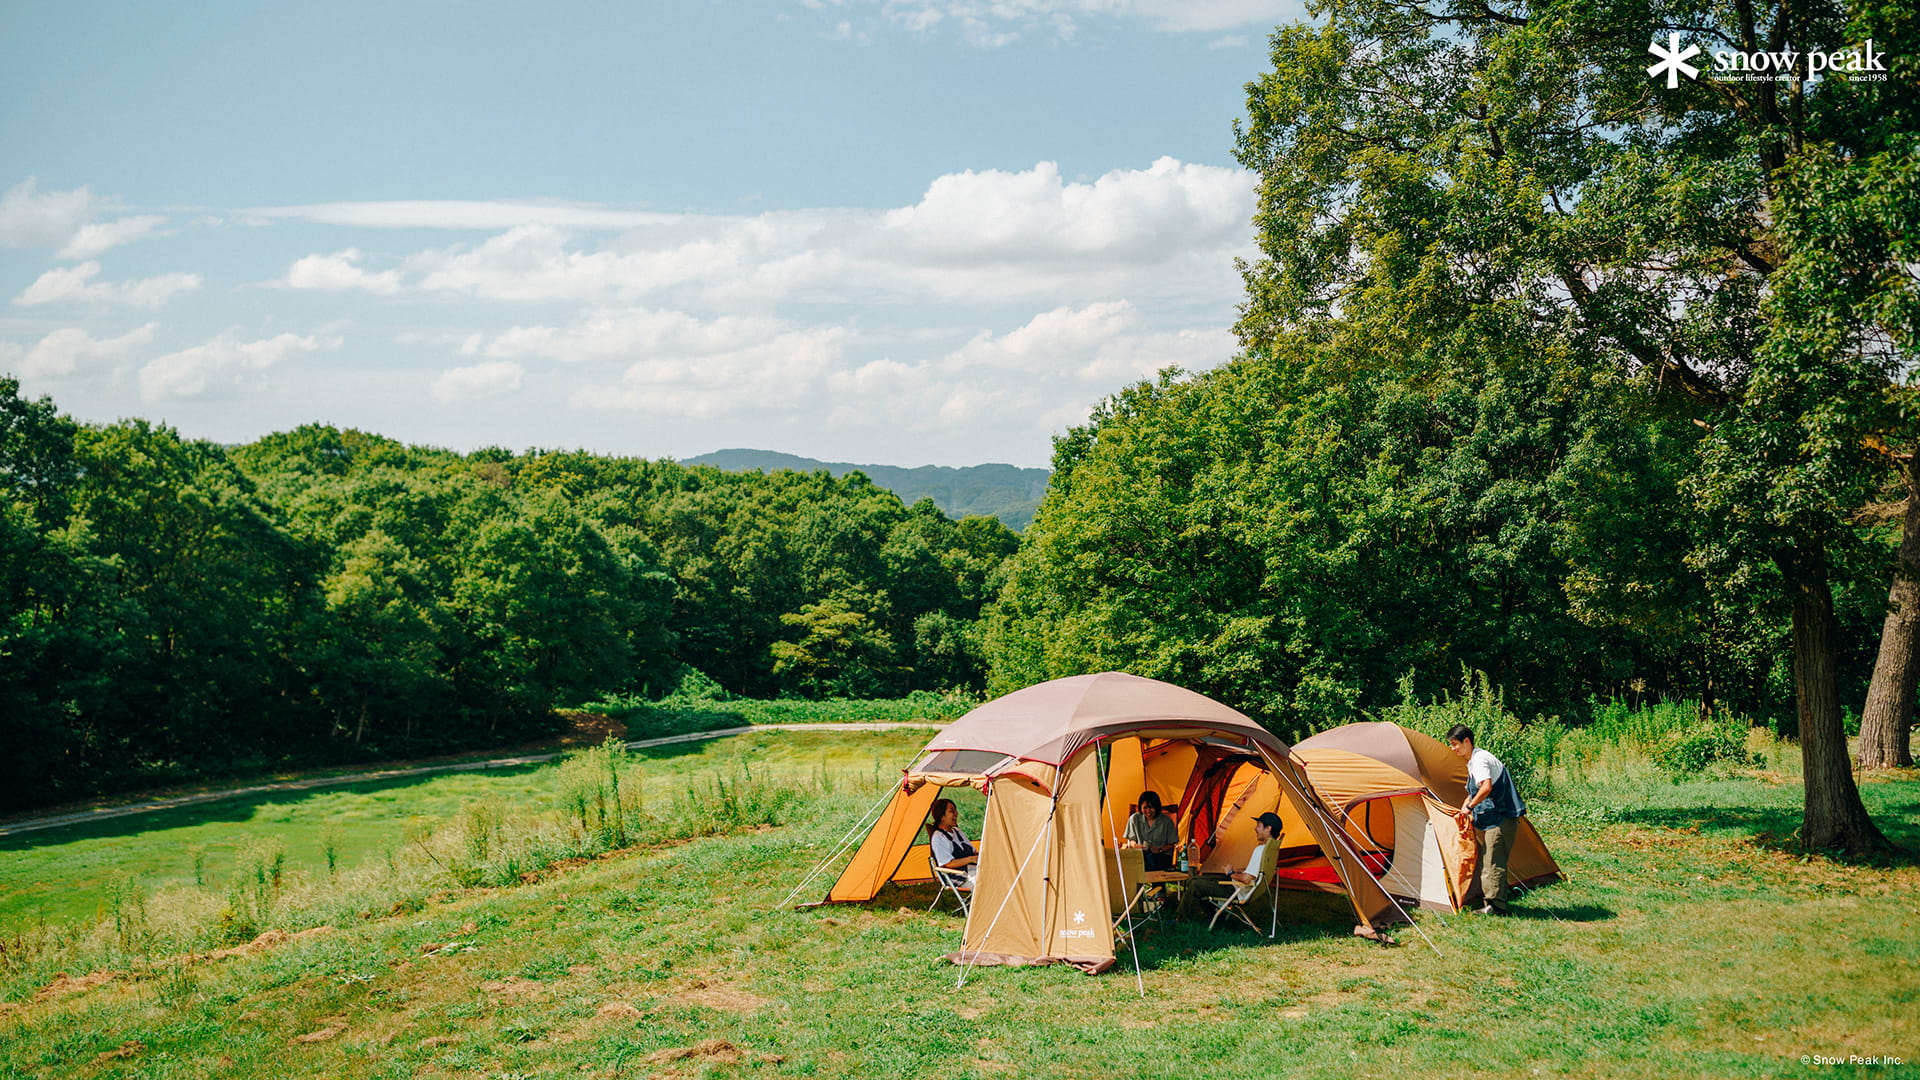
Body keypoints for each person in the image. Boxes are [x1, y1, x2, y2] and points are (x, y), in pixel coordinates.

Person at [1447, 724, 1527, 915]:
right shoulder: (1475, 760)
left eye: (1455, 744)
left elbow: (1486, 788)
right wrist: (1463, 810)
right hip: (1495, 818)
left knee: (1492, 861)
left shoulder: (1480, 759)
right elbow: (1474, 791)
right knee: (1489, 858)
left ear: (1467, 741)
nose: (1453, 749)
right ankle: (1492, 901)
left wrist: (1470, 807)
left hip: (1501, 817)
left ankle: (1495, 907)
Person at [1197, 812, 1282, 903]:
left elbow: (1246, 879)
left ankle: (1185, 916)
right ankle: (1213, 915)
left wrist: (1230, 873)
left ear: (1268, 828)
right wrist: (1239, 871)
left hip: (1237, 891)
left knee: (1195, 884)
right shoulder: (1271, 850)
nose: (1255, 829)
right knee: (1197, 879)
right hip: (1241, 888)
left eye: (1258, 825)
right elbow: (1256, 871)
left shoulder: (1260, 850)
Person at [1123, 790, 1179, 872]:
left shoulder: (1166, 821)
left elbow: (1172, 844)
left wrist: (1159, 849)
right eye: (1145, 808)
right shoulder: (1134, 819)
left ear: (1157, 807)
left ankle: (1156, 884)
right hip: (1140, 855)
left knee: (1151, 859)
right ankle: (1138, 883)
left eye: (1151, 807)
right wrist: (1135, 845)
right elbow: (1131, 840)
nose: (1148, 811)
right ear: (1140, 808)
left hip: (1162, 857)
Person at [927, 797, 978, 882]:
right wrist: (970, 859)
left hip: (971, 869)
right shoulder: (938, 837)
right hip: (958, 876)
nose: (956, 814)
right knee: (985, 880)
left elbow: (973, 851)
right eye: (952, 811)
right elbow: (947, 863)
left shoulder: (957, 831)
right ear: (942, 816)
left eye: (955, 810)